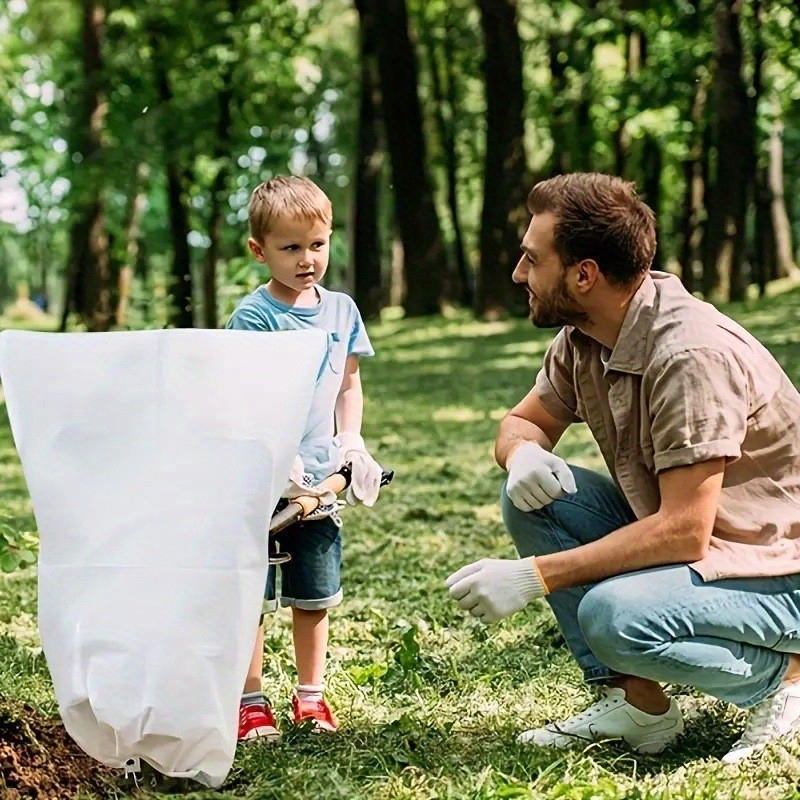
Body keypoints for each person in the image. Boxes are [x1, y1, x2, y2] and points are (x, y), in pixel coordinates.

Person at [446, 173, 800, 763]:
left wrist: (535, 575)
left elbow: (684, 531)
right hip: (716, 548)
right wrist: (524, 455)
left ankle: (783, 681)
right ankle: (639, 707)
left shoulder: (690, 354)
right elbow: (522, 423)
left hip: (781, 572)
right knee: (531, 497)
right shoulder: (585, 335)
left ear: (583, 275)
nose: (517, 274)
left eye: (533, 260)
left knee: (613, 618)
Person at [226, 175, 383, 741]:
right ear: (259, 250)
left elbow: (347, 386)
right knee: (253, 595)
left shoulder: (342, 311)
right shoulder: (254, 317)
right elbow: (247, 397)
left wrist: (352, 443)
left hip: (322, 481)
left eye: (316, 245)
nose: (306, 259)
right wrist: (276, 458)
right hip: (267, 483)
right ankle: (250, 701)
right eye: (290, 248)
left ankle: (311, 697)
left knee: (314, 592)